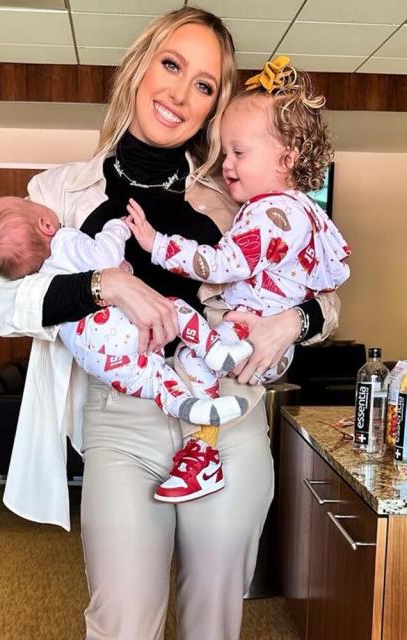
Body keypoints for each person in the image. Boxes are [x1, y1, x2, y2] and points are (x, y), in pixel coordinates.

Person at [0, 8, 341, 639]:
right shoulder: (60, 192)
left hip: (231, 418)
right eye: (171, 65)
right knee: (120, 621)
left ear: (213, 107)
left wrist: (293, 321)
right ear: (141, 68)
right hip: (123, 423)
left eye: (204, 85)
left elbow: (325, 301)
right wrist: (104, 283)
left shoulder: (240, 199)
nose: (179, 93)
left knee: (213, 621)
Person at [125, 56, 350, 501]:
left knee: (193, 358)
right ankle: (202, 452)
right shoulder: (300, 208)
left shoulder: (269, 213)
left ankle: (202, 456)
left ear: (287, 158)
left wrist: (157, 245)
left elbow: (224, 264)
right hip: (250, 343)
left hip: (250, 340)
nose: (227, 163)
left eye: (239, 153)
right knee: (197, 363)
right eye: (225, 151)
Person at [0, 196, 255, 485]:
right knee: (176, 309)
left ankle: (192, 408)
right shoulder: (64, 237)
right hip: (118, 385)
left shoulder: (41, 269)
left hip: (102, 360)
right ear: (46, 223)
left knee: (157, 381)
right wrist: (115, 236)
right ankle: (214, 350)